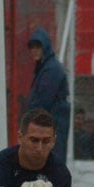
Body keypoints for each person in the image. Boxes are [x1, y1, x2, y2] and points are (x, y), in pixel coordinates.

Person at [23, 28, 71, 163]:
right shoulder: (46, 68)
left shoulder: (51, 69)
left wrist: (28, 121)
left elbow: (42, 101)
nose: (34, 50)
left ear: (45, 47)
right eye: (32, 47)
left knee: (51, 163)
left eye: (38, 46)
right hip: (48, 126)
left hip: (49, 127)